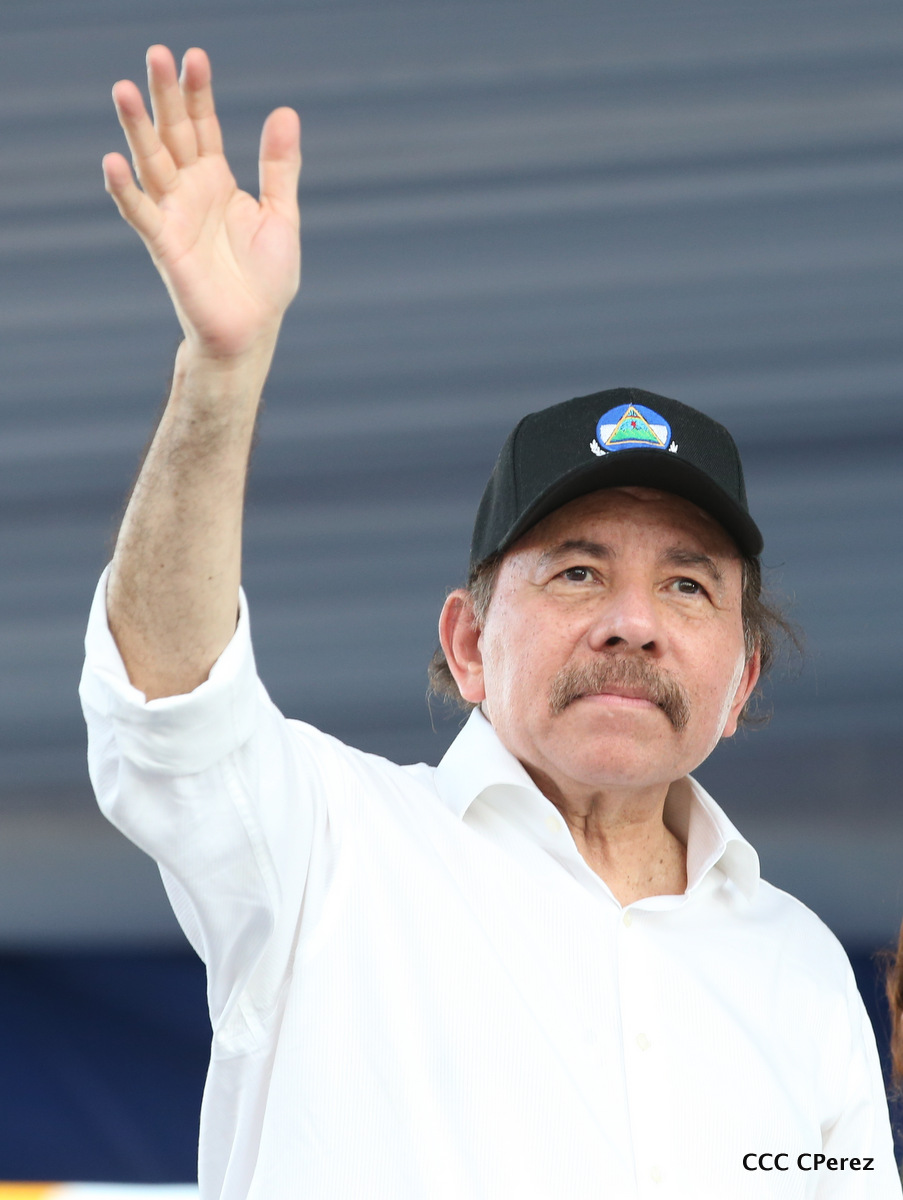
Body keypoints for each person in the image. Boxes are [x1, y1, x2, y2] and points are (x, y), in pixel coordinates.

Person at [79, 45, 901, 1200]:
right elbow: (169, 699)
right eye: (577, 573)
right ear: (468, 643)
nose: (632, 622)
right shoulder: (330, 848)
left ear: (742, 681)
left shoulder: (801, 971)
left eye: (688, 586)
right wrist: (221, 372)